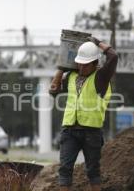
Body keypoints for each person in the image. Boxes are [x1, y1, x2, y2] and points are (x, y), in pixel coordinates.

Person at [50, 37, 118, 191]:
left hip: (91, 132)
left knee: (93, 171)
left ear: (95, 63)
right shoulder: (72, 77)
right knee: (65, 169)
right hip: (69, 130)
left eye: (86, 64)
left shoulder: (100, 77)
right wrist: (62, 67)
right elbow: (53, 91)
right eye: (79, 63)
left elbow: (113, 57)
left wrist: (98, 43)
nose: (81, 67)